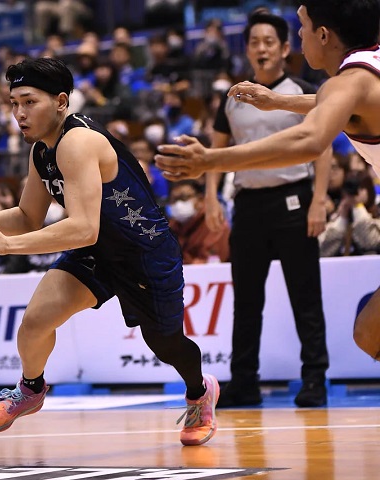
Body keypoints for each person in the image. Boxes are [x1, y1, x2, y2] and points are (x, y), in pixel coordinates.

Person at [0, 57, 219, 446]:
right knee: (35, 321)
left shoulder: (78, 142)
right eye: (14, 103)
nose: (19, 113)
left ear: (60, 102)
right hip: (98, 252)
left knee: (165, 344)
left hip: (144, 253)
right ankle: (30, 389)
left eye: (29, 101)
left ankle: (200, 392)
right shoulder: (41, 151)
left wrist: (8, 246)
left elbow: (83, 227)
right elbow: (27, 216)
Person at [154, 0, 380, 361]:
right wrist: (279, 101)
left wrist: (211, 160)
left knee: (370, 334)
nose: (300, 34)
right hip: (256, 207)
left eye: (303, 26)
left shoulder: (347, 83)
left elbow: (309, 139)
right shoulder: (367, 69)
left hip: (289, 201)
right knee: (370, 333)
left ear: (324, 35)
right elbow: (337, 102)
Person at [201, 11, 331, 408]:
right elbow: (215, 150)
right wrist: (211, 196)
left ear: (285, 48)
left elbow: (323, 148)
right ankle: (245, 382)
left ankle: (314, 379)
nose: (262, 48)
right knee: (246, 302)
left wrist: (319, 200)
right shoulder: (233, 97)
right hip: (248, 204)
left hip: (294, 200)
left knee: (305, 297)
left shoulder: (303, 92)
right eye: (255, 42)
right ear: (247, 50)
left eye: (269, 42)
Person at [167, 180, 230, 265]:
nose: (178, 204)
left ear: (200, 199)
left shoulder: (214, 224)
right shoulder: (172, 227)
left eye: (184, 198)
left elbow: (211, 261)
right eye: (174, 200)